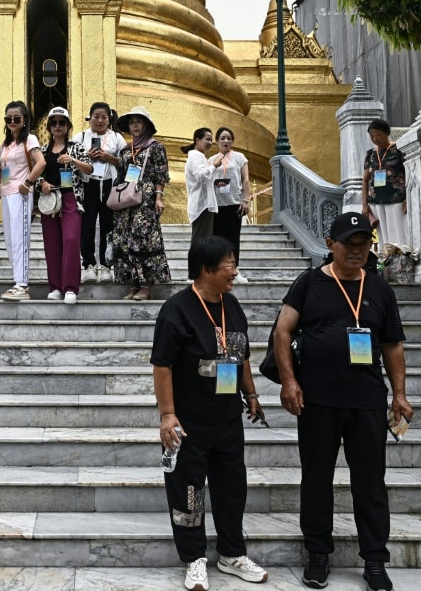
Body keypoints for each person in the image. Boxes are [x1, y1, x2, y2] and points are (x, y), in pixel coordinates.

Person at [274, 211, 412, 591]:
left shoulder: (380, 288)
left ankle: (374, 560)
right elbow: (282, 332)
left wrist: (399, 394)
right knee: (316, 478)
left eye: (364, 244)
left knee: (370, 482)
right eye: (349, 244)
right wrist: (289, 382)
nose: (357, 251)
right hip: (318, 399)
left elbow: (392, 344)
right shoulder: (309, 283)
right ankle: (318, 554)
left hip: (367, 400)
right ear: (330, 244)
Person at [151, 236, 268, 590]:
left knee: (232, 489)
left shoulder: (230, 306)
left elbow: (239, 354)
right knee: (190, 492)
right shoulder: (177, 310)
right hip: (189, 424)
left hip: (227, 420)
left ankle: (232, 554)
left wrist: (250, 393)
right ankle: (194, 557)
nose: (234, 272)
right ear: (206, 269)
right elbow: (162, 366)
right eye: (229, 265)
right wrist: (168, 415)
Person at [109, 106, 172, 301]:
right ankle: (134, 284)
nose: (135, 126)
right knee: (127, 240)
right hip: (127, 198)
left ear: (146, 125)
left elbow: (161, 175)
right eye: (131, 122)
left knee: (144, 240)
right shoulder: (126, 150)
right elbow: (121, 175)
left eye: (138, 121)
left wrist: (159, 198)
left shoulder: (156, 147)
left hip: (145, 199)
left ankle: (147, 285)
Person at [36, 107, 92, 305]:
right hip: (50, 201)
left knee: (70, 240)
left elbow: (90, 168)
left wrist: (73, 160)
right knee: (52, 245)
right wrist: (42, 183)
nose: (57, 126)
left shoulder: (75, 147)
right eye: (54, 122)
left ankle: (70, 287)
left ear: (68, 126)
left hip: (70, 197)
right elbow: (35, 175)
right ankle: (56, 287)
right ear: (49, 126)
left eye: (62, 122)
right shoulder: (42, 150)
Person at [73, 102, 126, 283]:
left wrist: (108, 157)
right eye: (96, 116)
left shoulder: (117, 137)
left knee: (108, 224)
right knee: (86, 224)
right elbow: (70, 157)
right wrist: (87, 155)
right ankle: (88, 264)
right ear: (90, 117)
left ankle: (106, 265)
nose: (100, 120)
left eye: (104, 117)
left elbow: (126, 162)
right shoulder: (80, 136)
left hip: (110, 183)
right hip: (88, 184)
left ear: (109, 118)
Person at [0, 100, 44, 301]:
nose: (12, 121)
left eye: (17, 118)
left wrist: (28, 182)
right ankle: (17, 281)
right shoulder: (6, 144)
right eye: (9, 118)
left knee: (20, 238)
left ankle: (22, 285)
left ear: (24, 120)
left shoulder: (30, 139)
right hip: (7, 192)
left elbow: (40, 162)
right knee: (9, 239)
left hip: (22, 192)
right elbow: (3, 171)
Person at [361, 118, 409, 256]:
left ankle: (401, 263)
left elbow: (409, 175)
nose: (375, 139)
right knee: (381, 237)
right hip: (375, 201)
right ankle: (384, 265)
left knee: (399, 234)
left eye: (378, 135)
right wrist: (365, 205)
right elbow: (365, 180)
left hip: (396, 199)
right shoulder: (370, 154)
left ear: (387, 133)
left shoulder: (399, 150)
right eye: (372, 136)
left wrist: (408, 198)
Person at [212, 127, 250, 283]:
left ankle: (234, 270)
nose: (225, 141)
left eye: (228, 138)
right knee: (217, 239)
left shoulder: (239, 157)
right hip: (216, 205)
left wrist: (246, 200)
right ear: (217, 141)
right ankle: (219, 270)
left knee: (233, 239)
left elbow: (245, 179)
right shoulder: (212, 159)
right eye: (222, 138)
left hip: (234, 204)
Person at [183, 127, 223, 247]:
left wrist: (215, 183)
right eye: (207, 139)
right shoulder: (195, 157)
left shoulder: (200, 157)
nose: (210, 143)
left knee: (204, 243)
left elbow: (203, 180)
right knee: (200, 243)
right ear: (197, 140)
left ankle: (200, 265)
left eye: (211, 140)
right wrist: (214, 166)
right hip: (202, 206)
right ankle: (195, 266)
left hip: (205, 205)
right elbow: (201, 177)